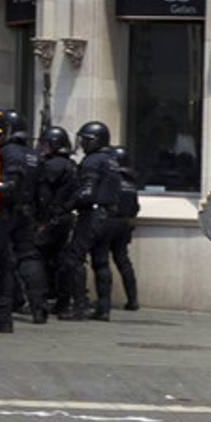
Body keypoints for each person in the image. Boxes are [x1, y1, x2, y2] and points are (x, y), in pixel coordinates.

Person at [0, 109, 49, 329]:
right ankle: (38, 309)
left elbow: (7, 185)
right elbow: (43, 191)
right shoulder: (35, 156)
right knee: (28, 258)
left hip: (4, 212)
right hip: (27, 212)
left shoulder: (7, 152)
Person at [58, 120, 117, 321]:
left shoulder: (93, 161)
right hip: (109, 216)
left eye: (86, 139)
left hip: (91, 215)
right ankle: (104, 307)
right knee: (101, 262)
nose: (82, 143)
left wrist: (67, 206)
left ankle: (80, 305)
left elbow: (87, 191)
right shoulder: (111, 160)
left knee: (74, 258)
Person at [36, 126, 78, 314]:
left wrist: (41, 218)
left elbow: (43, 193)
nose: (43, 148)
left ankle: (42, 298)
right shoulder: (71, 164)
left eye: (46, 144)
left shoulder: (53, 165)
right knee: (60, 260)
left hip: (51, 217)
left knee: (40, 259)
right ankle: (63, 300)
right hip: (65, 216)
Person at [106, 145, 139, 311]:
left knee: (102, 261)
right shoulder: (131, 181)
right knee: (123, 261)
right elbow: (135, 206)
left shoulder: (112, 178)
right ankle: (132, 299)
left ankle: (104, 301)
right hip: (125, 224)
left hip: (110, 222)